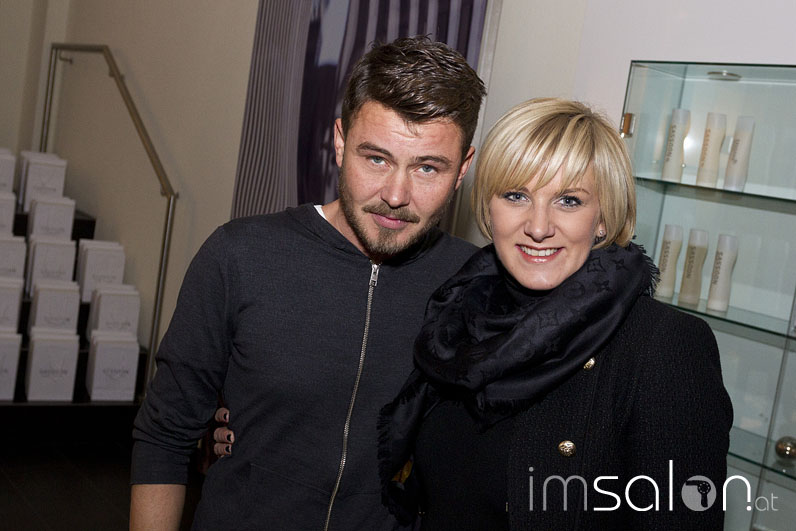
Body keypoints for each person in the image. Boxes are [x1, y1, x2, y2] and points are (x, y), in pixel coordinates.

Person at [130, 36, 486, 530]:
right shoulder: (241, 255)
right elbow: (164, 437)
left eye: (427, 167)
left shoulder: (475, 285)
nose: (395, 194)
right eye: (376, 159)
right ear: (340, 142)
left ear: (462, 168)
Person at [376, 98, 734, 530]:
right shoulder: (457, 317)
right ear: (488, 207)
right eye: (516, 196)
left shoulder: (663, 346)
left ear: (602, 219)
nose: (539, 226)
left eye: (568, 200)